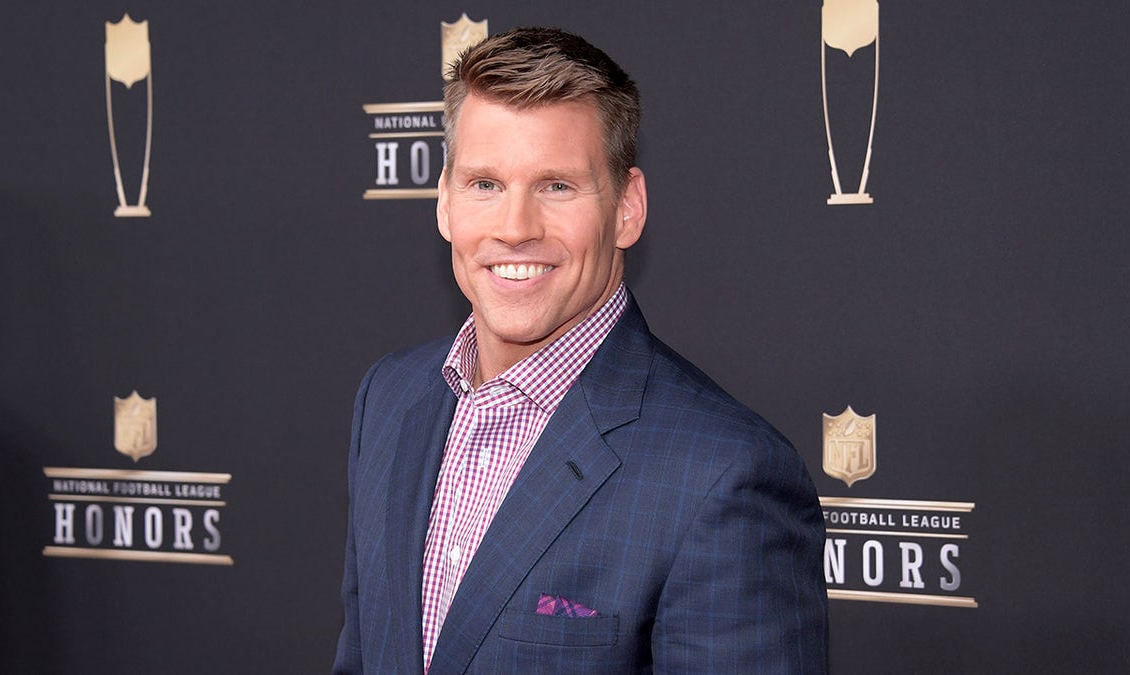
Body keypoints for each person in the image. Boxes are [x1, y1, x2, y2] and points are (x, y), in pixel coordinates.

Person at [333, 27, 828, 674]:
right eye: (485, 184)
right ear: (444, 203)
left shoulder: (723, 475)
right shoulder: (390, 399)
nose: (515, 228)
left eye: (557, 186)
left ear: (627, 208)